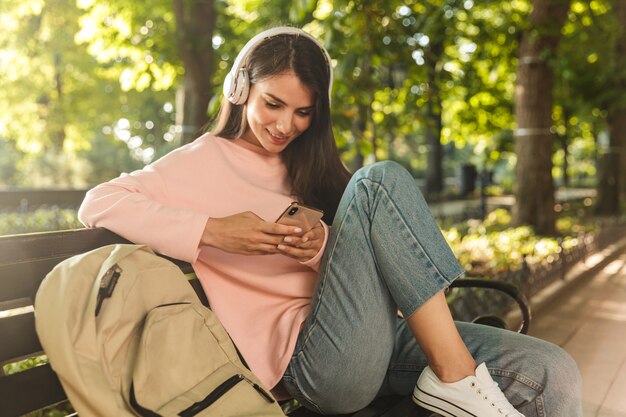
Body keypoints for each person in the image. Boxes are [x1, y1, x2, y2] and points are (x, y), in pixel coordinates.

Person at [78, 26, 582, 417]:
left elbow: (357, 272)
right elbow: (99, 202)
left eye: (303, 113)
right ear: (239, 87)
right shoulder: (196, 162)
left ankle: (455, 380)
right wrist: (213, 231)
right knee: (379, 180)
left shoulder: (312, 166)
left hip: (379, 337)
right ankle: (456, 378)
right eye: (273, 104)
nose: (285, 125)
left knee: (552, 372)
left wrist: (321, 245)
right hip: (315, 366)